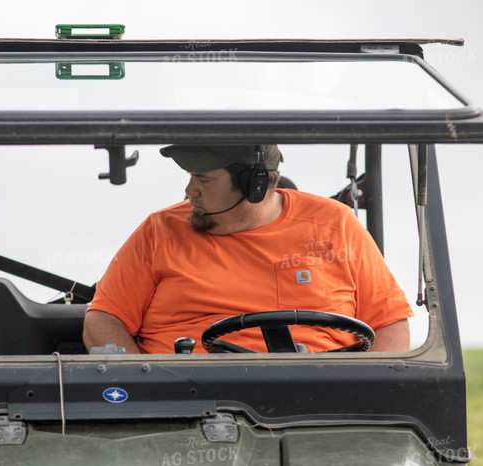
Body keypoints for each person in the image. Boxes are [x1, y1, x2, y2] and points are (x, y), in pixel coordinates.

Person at [83, 144, 413, 354]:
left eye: (204, 179)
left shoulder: (335, 225)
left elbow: (390, 322)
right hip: (190, 401)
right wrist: (143, 385)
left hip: (321, 395)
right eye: (189, 177)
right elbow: (103, 320)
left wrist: (368, 390)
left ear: (257, 185)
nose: (189, 190)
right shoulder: (159, 231)